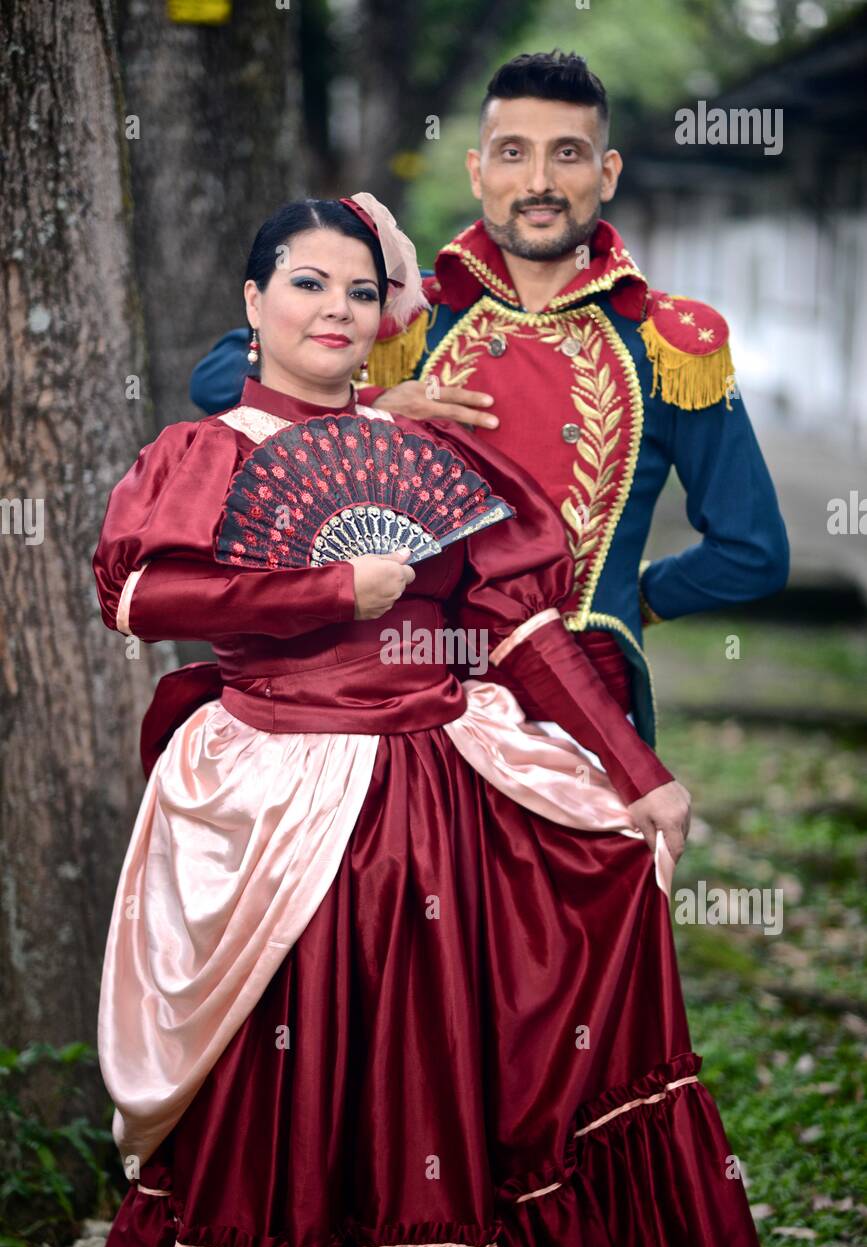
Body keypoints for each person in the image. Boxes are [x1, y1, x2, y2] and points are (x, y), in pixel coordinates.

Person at [88, 193, 772, 1247]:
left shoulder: (426, 450)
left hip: (439, 794)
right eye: (307, 283)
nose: (338, 309)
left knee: (438, 1067)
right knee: (293, 1072)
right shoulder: (204, 449)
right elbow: (141, 594)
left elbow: (525, 628)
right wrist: (328, 588)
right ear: (252, 303)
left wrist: (638, 773)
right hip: (275, 797)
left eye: (361, 290)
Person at [190, 51, 789, 754]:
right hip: (410, 692)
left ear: (607, 172)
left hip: (580, 704)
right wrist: (378, 402)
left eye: (566, 153)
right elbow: (223, 372)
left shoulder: (669, 342)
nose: (538, 182)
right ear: (478, 172)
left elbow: (751, 551)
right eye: (513, 153)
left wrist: (627, 600)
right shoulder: (408, 316)